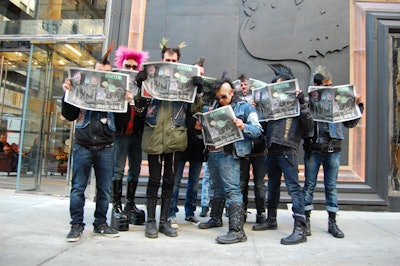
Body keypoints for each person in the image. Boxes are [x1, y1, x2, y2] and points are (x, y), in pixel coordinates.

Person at [62, 50, 133, 242]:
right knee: (78, 187)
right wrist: (67, 93)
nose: (101, 77)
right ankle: (76, 224)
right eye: (98, 73)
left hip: (106, 147)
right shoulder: (82, 89)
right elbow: (69, 115)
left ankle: (100, 223)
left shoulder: (116, 91)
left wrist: (127, 103)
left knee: (104, 189)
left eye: (106, 73)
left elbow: (121, 125)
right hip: (83, 145)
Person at [136, 39, 203, 238]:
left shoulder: (185, 81)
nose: (171, 62)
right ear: (162, 60)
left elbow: (195, 111)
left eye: (174, 60)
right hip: (154, 137)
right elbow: (139, 110)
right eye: (168, 59)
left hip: (175, 139)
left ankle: (164, 221)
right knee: (154, 180)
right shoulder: (151, 79)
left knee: (169, 182)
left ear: (179, 62)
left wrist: (198, 92)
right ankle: (150, 221)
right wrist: (139, 85)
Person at [252, 64, 314, 245]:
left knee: (294, 188)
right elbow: (263, 130)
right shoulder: (274, 106)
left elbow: (309, 126)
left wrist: (302, 102)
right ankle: (271, 220)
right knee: (272, 186)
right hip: (272, 149)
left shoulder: (300, 102)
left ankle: (300, 228)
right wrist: (259, 111)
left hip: (288, 149)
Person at [198, 77, 262, 244]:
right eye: (218, 97)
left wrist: (243, 126)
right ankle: (215, 218)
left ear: (232, 93)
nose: (220, 100)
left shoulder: (245, 107)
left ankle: (237, 230)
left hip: (231, 155)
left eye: (223, 96)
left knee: (232, 190)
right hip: (213, 153)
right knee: (218, 188)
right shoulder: (214, 107)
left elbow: (257, 130)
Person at [302, 65, 364, 238]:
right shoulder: (307, 102)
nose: (329, 89)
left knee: (331, 187)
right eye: (326, 86)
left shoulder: (338, 99)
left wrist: (358, 107)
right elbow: (302, 125)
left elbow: (350, 124)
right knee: (309, 185)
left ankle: (332, 222)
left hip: (333, 148)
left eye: (330, 85)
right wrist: (304, 104)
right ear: (317, 85)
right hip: (313, 148)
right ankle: (306, 221)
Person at [110, 46, 149, 231]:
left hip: (138, 133)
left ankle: (129, 203)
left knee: (135, 168)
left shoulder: (142, 85)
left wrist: (139, 91)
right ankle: (116, 205)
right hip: (122, 132)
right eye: (128, 66)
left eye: (134, 67)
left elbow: (145, 108)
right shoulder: (116, 83)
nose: (131, 70)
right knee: (118, 169)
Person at [168, 57, 206, 228]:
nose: (200, 77)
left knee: (194, 181)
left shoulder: (206, 92)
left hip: (198, 143)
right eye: (197, 74)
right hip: (181, 140)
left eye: (202, 74)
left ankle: (190, 213)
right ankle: (171, 213)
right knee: (175, 180)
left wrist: (199, 92)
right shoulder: (181, 91)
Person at [236, 74, 268, 224]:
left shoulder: (260, 103)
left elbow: (265, 127)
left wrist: (258, 110)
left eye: (246, 84)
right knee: (242, 182)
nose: (244, 87)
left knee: (260, 184)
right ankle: (241, 212)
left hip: (260, 149)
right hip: (243, 149)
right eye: (241, 84)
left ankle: (261, 213)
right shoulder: (237, 104)